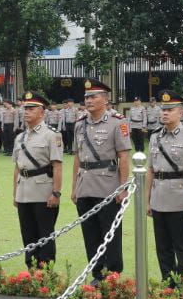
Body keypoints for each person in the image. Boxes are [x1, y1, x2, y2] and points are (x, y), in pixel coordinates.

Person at [71, 78, 131, 277]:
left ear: (105, 100)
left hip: (108, 186)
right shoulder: (80, 124)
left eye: (93, 96)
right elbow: (78, 157)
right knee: (90, 234)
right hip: (85, 185)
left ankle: (113, 274)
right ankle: (96, 273)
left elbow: (123, 157)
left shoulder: (117, 122)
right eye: (86, 96)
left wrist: (123, 188)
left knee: (110, 233)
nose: (88, 100)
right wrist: (74, 188)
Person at [146, 90, 183, 281]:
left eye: (170, 110)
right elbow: (150, 171)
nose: (165, 113)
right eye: (163, 110)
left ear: (181, 113)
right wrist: (147, 201)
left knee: (181, 245)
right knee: (162, 246)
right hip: (158, 197)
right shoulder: (155, 137)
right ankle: (167, 283)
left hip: (180, 198)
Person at [13, 91, 63, 268]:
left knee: (45, 234)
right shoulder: (20, 137)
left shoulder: (51, 135)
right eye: (25, 108)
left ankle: (46, 272)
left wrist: (56, 193)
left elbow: (57, 166)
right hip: (24, 191)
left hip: (43, 191)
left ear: (41, 112)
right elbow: (17, 167)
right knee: (27, 234)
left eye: (31, 108)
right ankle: (31, 270)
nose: (26, 111)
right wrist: (15, 194)